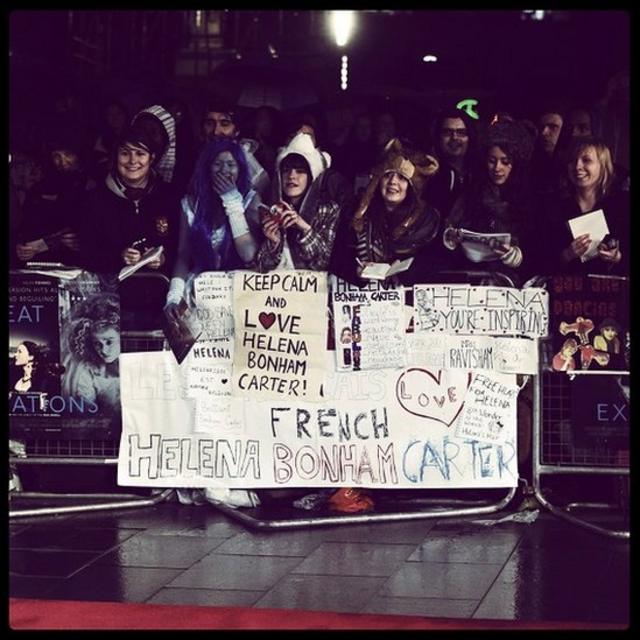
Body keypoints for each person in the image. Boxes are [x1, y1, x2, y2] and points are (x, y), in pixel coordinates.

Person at [164, 137, 262, 316]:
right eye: (217, 164)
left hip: (237, 297)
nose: (224, 170)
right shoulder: (191, 203)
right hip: (199, 294)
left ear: (240, 169)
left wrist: (232, 203)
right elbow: (183, 255)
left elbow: (248, 254)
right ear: (207, 168)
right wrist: (174, 296)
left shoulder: (251, 200)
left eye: (231, 164)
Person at [331, 137, 444, 287]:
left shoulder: (426, 220)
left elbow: (435, 262)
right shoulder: (355, 213)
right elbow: (338, 257)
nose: (392, 182)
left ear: (412, 187)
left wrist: (404, 272)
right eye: (387, 175)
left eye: (402, 178)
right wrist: (356, 271)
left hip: (408, 299)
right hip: (360, 298)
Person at [442, 119, 536, 285]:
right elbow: (449, 240)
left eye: (505, 162)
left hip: (515, 287)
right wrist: (451, 240)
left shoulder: (531, 199)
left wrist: (519, 257)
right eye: (492, 161)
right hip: (473, 281)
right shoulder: (471, 194)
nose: (497, 168)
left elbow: (542, 250)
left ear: (516, 164)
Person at [79, 124, 180, 278]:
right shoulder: (95, 200)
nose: (133, 161)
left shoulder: (169, 196)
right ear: (115, 157)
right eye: (125, 153)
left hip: (161, 287)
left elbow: (184, 248)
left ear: (151, 158)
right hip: (112, 290)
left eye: (140, 154)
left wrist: (164, 258)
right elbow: (87, 253)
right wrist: (120, 256)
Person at [536, 136, 628, 276]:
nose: (577, 166)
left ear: (602, 166)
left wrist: (617, 257)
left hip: (611, 290)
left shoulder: (621, 205)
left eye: (586, 160)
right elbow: (539, 261)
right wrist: (567, 255)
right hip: (567, 291)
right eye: (572, 161)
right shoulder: (552, 206)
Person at [253, 131, 343, 273]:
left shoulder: (328, 209)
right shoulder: (272, 209)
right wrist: (273, 243)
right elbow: (261, 267)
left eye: (300, 171)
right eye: (286, 170)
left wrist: (304, 228)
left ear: (311, 177)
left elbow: (323, 263)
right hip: (278, 292)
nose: (291, 176)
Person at [13, 129, 94, 267]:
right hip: (41, 261)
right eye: (57, 156)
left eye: (67, 155)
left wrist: (84, 241)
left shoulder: (90, 184)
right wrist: (20, 245)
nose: (62, 162)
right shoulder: (41, 186)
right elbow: (27, 223)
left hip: (77, 261)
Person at [199, 97, 270, 198]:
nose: (216, 131)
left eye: (224, 124)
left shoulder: (246, 160)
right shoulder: (201, 155)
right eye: (210, 124)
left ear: (236, 131)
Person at [61, 294, 121, 414]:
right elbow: (88, 413)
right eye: (96, 343)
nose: (103, 350)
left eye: (109, 342)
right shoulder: (85, 370)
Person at [426, 109, 478, 219]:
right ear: (438, 138)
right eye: (447, 132)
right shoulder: (426, 174)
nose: (454, 137)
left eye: (461, 132)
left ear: (470, 138)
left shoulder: (481, 173)